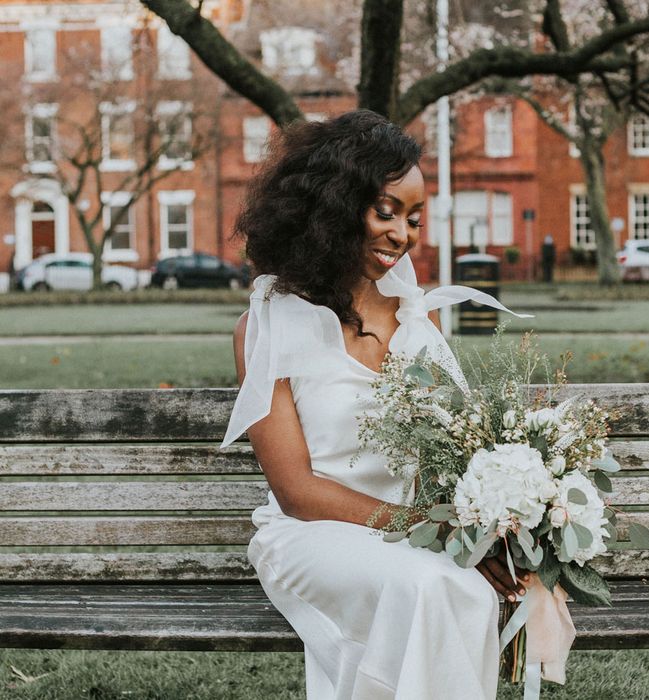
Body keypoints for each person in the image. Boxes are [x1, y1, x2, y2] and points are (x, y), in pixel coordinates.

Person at [220, 110, 528, 699]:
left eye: (413, 217)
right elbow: (297, 491)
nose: (403, 234)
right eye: (385, 211)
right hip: (314, 534)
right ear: (333, 207)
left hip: (421, 537)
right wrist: (427, 532)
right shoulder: (267, 324)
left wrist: (488, 533)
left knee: (459, 588)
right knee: (427, 587)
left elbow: (460, 450)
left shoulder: (419, 316)